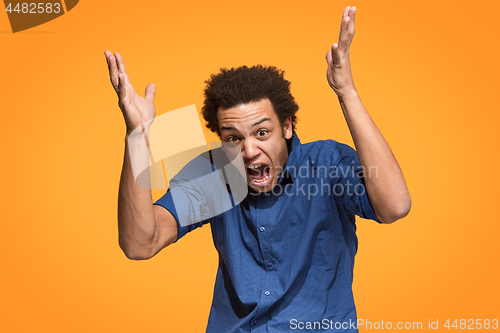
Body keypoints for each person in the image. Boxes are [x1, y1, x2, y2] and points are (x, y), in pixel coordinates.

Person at [104, 6, 411, 332]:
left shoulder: (326, 164)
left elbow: (395, 206)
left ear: (287, 127)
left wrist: (346, 92)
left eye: (261, 133)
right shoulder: (216, 175)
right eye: (233, 137)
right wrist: (137, 137)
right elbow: (140, 243)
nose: (249, 151)